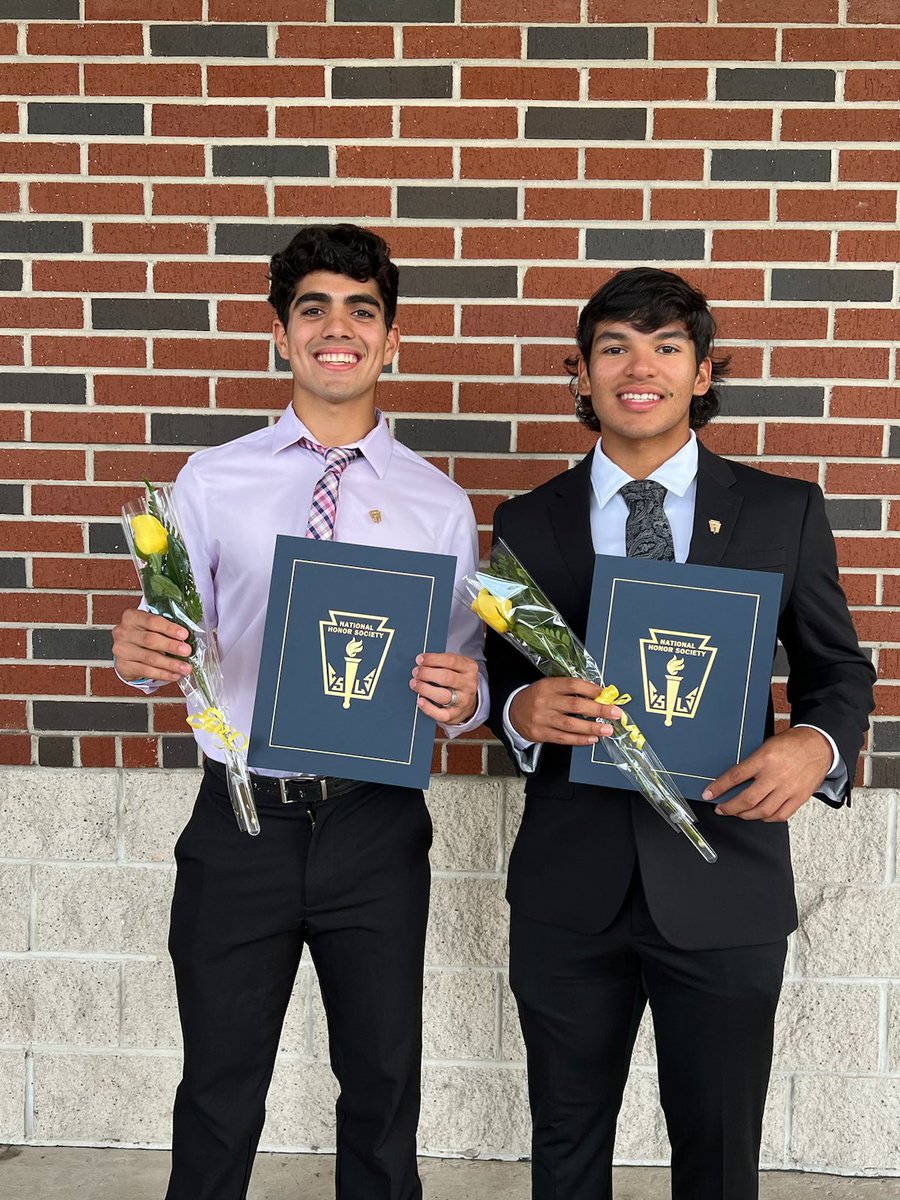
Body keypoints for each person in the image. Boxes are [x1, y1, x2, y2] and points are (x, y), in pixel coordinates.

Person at [112, 223, 488, 1200]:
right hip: (240, 819)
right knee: (220, 1092)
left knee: (380, 1089)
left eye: (362, 310)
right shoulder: (209, 481)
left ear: (392, 340)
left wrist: (465, 696)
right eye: (312, 308)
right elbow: (170, 633)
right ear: (280, 334)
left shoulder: (439, 504)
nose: (338, 328)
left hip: (375, 822)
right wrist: (142, 653)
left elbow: (463, 669)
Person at [485, 267, 875, 1200]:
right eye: (614, 347)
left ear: (702, 373)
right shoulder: (526, 521)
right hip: (570, 890)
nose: (639, 367)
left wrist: (813, 746)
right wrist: (519, 714)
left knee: (720, 1153)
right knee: (565, 1145)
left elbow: (839, 671)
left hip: (723, 879)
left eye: (666, 346)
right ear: (580, 376)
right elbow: (505, 675)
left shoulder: (783, 511)